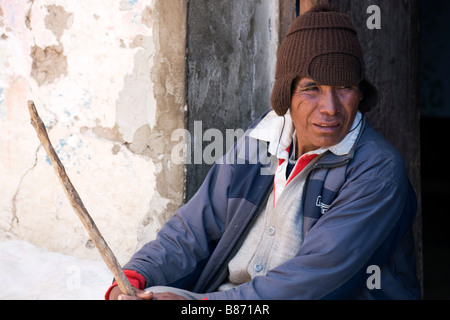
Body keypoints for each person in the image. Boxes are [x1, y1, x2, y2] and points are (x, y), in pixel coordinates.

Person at [106, 3, 421, 300]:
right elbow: (193, 228)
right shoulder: (263, 138)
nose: (330, 108)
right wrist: (135, 276)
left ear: (360, 93)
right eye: (312, 88)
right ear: (287, 91)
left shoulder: (377, 171)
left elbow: (312, 282)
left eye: (344, 88)